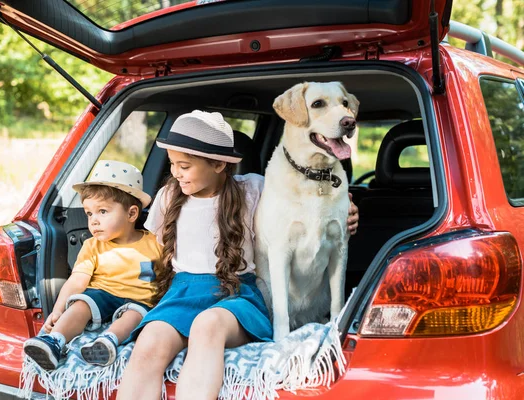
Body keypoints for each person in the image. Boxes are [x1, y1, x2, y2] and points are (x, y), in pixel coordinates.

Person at [116, 110, 359, 400]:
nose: (176, 173)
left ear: (219, 163)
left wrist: (345, 209)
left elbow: (308, 203)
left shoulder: (253, 189)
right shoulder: (169, 197)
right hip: (182, 294)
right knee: (150, 341)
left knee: (207, 326)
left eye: (184, 165)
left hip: (236, 293)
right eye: (172, 165)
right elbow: (153, 245)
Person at [22, 161, 161, 370]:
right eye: (89, 213)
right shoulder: (92, 245)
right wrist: (58, 310)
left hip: (139, 300)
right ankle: (55, 341)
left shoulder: (155, 243)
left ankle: (108, 342)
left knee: (134, 315)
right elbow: (77, 281)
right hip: (102, 295)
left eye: (102, 212)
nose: (94, 221)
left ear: (132, 214)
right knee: (81, 303)